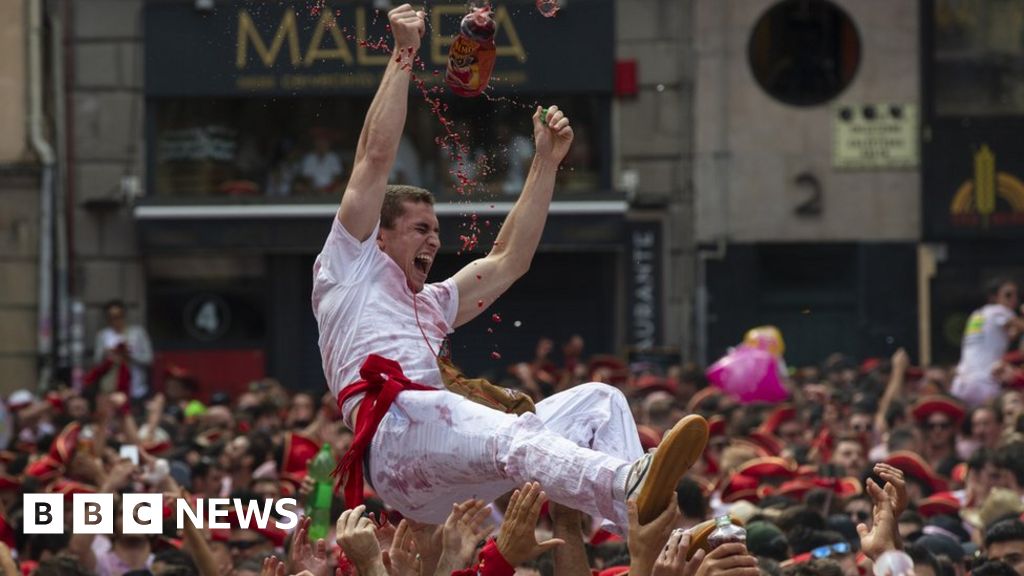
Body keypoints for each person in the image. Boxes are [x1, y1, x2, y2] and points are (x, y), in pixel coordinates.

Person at [312, 4, 708, 532]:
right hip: (395, 440)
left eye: (436, 229)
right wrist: (405, 53)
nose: (435, 239)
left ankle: (652, 533)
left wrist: (546, 162)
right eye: (420, 229)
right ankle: (627, 484)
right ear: (378, 234)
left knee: (600, 402)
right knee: (512, 436)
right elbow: (374, 157)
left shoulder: (431, 303)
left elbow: (508, 260)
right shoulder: (348, 263)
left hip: (447, 475)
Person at [952, 278, 1024, 408]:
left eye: (1016, 295)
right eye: (1008, 295)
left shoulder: (977, 315)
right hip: (984, 382)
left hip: (960, 383)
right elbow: (1020, 326)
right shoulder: (999, 310)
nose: (1014, 299)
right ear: (994, 297)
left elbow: (1011, 334)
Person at [93, 299, 154, 400]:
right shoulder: (103, 335)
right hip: (111, 388)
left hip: (136, 387)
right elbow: (96, 362)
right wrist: (108, 354)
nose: (115, 321)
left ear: (124, 315)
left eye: (118, 316)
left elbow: (149, 359)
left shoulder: (137, 333)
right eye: (111, 317)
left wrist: (129, 355)